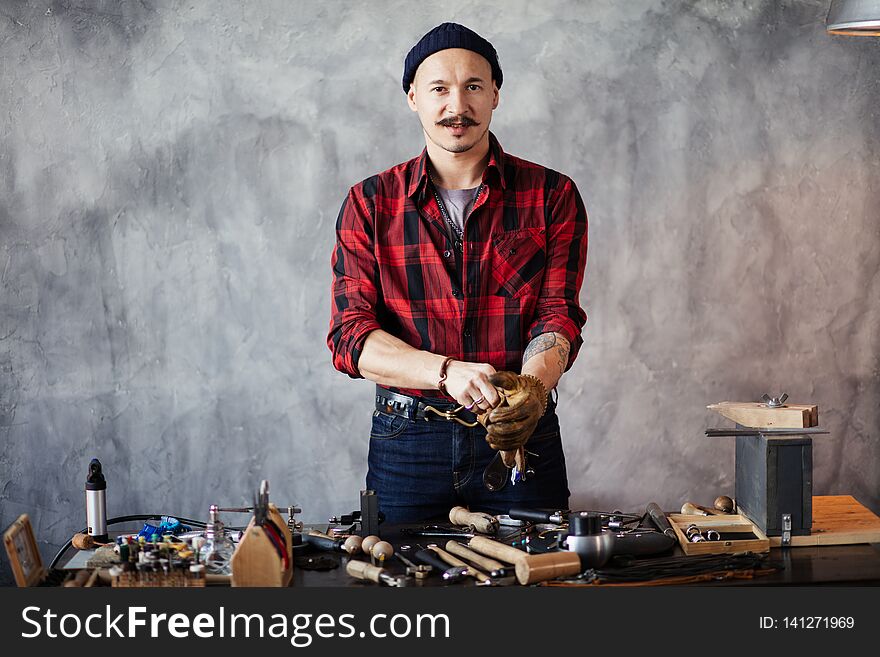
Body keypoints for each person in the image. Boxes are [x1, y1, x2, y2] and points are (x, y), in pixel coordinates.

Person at [328, 22, 588, 523]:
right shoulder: (369, 203)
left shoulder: (552, 195)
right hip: (407, 444)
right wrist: (444, 373)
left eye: (473, 86)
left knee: (536, 588)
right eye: (439, 89)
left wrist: (529, 394)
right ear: (413, 98)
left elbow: (558, 314)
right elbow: (350, 336)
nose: (457, 105)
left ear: (495, 94)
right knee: (402, 581)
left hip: (520, 438)